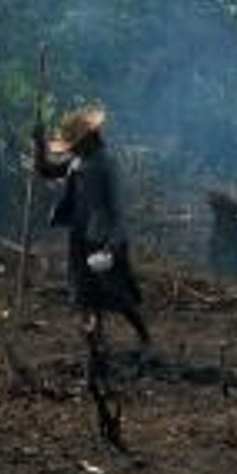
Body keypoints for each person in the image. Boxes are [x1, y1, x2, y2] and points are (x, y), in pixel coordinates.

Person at [33, 105, 151, 351]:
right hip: (80, 235)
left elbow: (118, 210)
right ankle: (96, 347)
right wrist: (39, 143)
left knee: (117, 294)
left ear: (89, 139)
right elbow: (46, 170)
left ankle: (144, 337)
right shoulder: (78, 160)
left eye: (75, 143)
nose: (72, 148)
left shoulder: (107, 163)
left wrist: (112, 246)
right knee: (87, 295)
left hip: (103, 238)